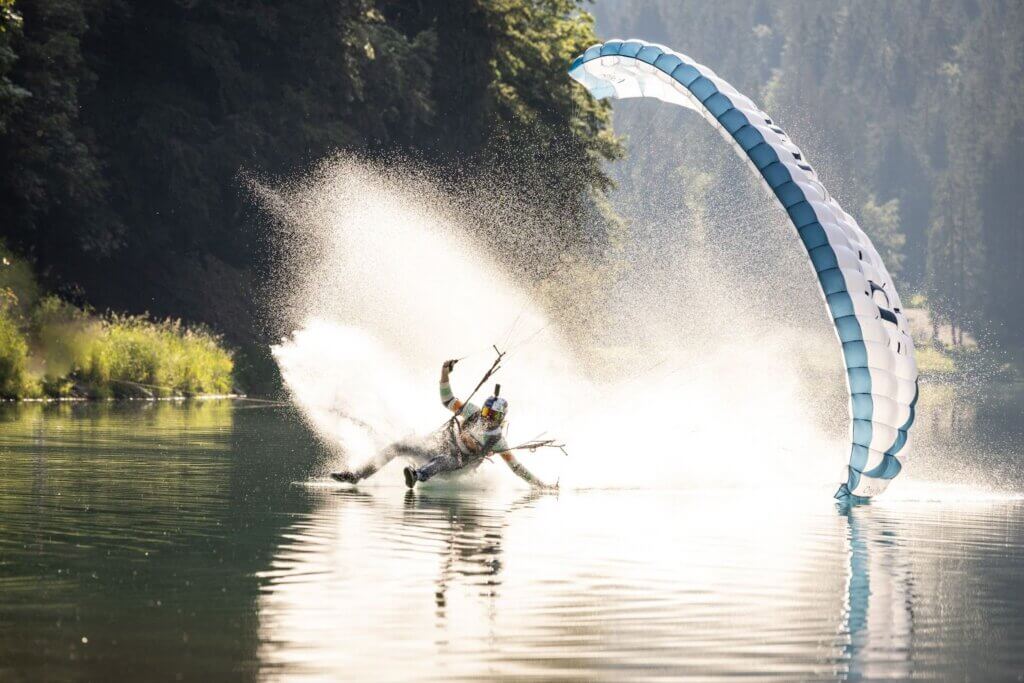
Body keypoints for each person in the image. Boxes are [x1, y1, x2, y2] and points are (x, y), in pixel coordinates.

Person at [330, 359, 555, 490]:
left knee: (443, 460)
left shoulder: (498, 441)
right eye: (486, 411)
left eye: (492, 415)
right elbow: (447, 400)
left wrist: (540, 485)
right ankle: (356, 475)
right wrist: (444, 373)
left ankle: (417, 476)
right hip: (440, 447)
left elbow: (516, 468)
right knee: (399, 446)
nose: (486, 417)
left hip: (457, 466)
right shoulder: (472, 412)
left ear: (500, 418)